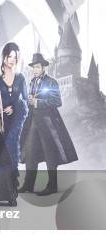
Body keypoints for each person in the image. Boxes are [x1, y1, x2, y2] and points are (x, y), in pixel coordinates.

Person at [19, 52, 78, 196]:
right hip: (33, 122)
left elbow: (57, 101)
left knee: (50, 154)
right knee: (30, 152)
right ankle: (28, 184)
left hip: (48, 123)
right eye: (34, 67)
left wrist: (38, 102)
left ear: (43, 67)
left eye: (38, 67)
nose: (35, 70)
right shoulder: (32, 81)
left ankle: (52, 186)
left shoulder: (51, 82)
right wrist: (29, 101)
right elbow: (30, 100)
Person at [0, 42, 28, 178]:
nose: (12, 60)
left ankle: (13, 176)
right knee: (1, 146)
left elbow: (26, 100)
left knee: (12, 140)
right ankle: (2, 183)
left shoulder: (20, 78)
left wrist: (14, 107)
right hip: (1, 118)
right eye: (10, 56)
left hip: (17, 116)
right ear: (4, 57)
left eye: (15, 57)